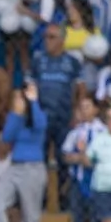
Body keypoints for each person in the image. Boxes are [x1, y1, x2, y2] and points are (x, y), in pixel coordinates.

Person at [30, 23, 87, 211]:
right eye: (46, 37)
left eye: (52, 37)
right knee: (40, 162)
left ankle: (65, 203)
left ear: (62, 40)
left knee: (65, 161)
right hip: (41, 119)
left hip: (64, 118)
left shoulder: (72, 62)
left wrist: (78, 111)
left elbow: (81, 89)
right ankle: (41, 201)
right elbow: (29, 88)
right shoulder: (37, 60)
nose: (47, 41)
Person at [0, 84, 48, 222]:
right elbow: (6, 137)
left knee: (30, 219)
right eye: (14, 99)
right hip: (14, 168)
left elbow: (40, 124)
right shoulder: (15, 118)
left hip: (33, 169)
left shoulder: (38, 115)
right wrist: (15, 114)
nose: (16, 101)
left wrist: (34, 102)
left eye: (19, 98)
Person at [60, 94, 106, 222]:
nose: (84, 111)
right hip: (78, 182)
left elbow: (105, 157)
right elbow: (66, 155)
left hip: (98, 182)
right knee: (78, 221)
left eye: (87, 107)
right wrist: (81, 157)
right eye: (81, 108)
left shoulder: (104, 132)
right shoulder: (75, 133)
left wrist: (87, 159)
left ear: (96, 109)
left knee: (97, 221)